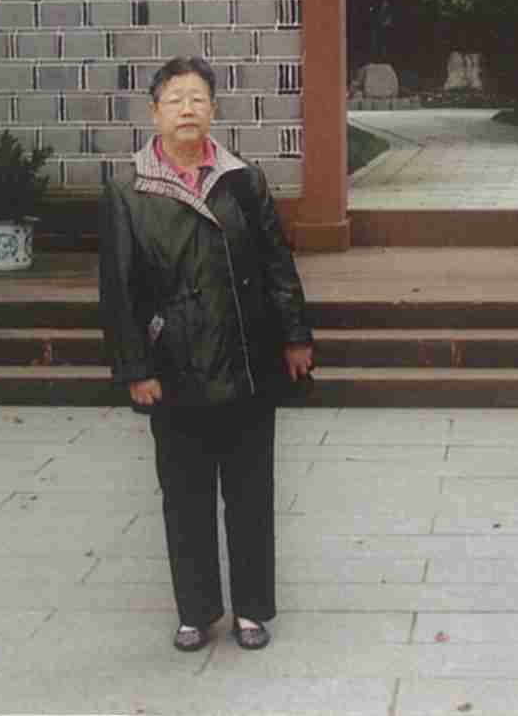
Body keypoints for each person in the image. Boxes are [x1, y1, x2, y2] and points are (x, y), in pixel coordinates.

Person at [98, 55, 315, 653]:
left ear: (213, 110)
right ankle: (195, 611)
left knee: (251, 493)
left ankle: (252, 610)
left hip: (248, 360)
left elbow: (277, 265)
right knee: (185, 496)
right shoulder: (128, 191)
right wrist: (135, 368)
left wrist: (295, 336)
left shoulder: (243, 180)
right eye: (175, 100)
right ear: (155, 114)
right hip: (176, 368)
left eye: (197, 98)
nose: (187, 110)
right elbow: (119, 291)